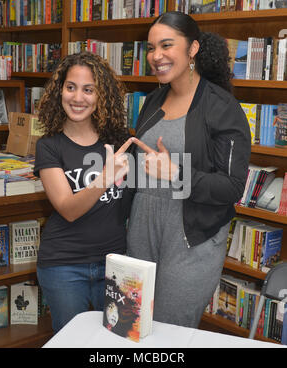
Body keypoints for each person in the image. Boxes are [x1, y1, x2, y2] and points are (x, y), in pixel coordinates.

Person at [126, 11, 251, 328]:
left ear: (192, 48)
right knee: (131, 324)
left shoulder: (223, 108)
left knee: (169, 329)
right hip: (142, 228)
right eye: (151, 48)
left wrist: (177, 173)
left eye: (166, 45)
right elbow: (147, 165)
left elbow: (231, 187)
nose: (156, 56)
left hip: (191, 236)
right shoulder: (152, 100)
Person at [33, 51, 133, 333]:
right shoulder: (49, 146)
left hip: (115, 266)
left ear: (102, 95)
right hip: (64, 266)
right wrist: (105, 177)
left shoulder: (120, 141)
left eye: (88, 90)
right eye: (71, 87)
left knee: (117, 342)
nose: (78, 98)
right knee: (72, 341)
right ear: (59, 91)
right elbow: (68, 208)